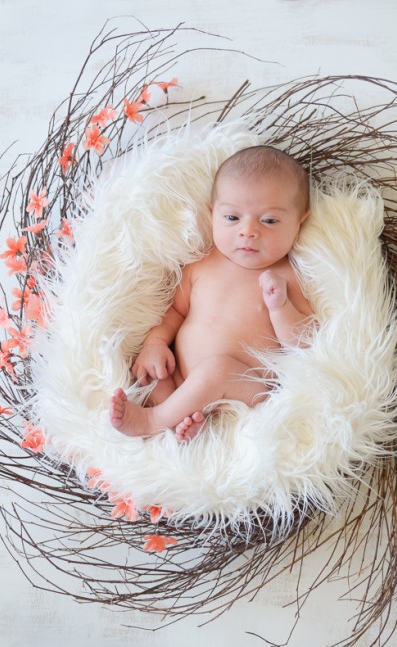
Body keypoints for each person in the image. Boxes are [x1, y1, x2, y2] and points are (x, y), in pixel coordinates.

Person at [109, 145, 315, 440]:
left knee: (217, 370)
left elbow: (304, 345)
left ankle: (152, 420)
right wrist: (155, 343)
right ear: (212, 213)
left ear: (299, 222)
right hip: (182, 379)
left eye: (269, 220)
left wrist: (280, 306)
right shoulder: (201, 264)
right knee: (150, 371)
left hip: (248, 391)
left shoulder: (286, 277)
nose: (248, 231)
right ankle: (189, 425)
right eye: (232, 218)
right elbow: (175, 311)